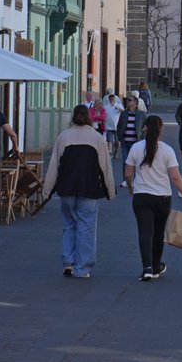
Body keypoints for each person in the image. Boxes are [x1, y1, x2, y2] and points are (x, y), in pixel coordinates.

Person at [42, 104, 115, 279]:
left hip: (66, 189)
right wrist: (109, 191)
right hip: (89, 189)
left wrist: (47, 191)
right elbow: (105, 168)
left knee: (69, 225)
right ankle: (82, 268)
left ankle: (68, 261)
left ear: (73, 117)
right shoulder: (97, 138)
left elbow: (54, 166)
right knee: (87, 228)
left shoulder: (64, 137)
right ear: (89, 117)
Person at [124, 114, 182, 281]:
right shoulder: (167, 150)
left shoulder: (136, 148)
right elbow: (175, 177)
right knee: (159, 232)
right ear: (161, 130)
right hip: (162, 197)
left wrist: (132, 187)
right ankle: (156, 266)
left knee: (145, 232)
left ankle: (146, 267)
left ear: (145, 128)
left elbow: (128, 173)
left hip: (141, 197)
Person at [115, 95, 146, 179]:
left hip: (136, 142)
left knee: (136, 162)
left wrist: (142, 137)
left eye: (130, 100)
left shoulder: (141, 114)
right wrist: (119, 137)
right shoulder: (124, 113)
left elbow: (145, 127)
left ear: (135, 103)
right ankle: (126, 179)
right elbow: (119, 126)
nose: (128, 101)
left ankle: (136, 179)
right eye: (128, 100)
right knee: (125, 161)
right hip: (125, 141)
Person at [102, 90, 123, 155]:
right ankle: (110, 152)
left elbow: (124, 112)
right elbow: (104, 117)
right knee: (109, 140)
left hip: (117, 126)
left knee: (117, 141)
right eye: (110, 99)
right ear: (109, 99)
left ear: (115, 99)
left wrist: (119, 109)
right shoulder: (106, 107)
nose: (111, 100)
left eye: (113, 99)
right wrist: (104, 125)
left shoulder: (118, 105)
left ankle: (116, 151)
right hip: (109, 126)